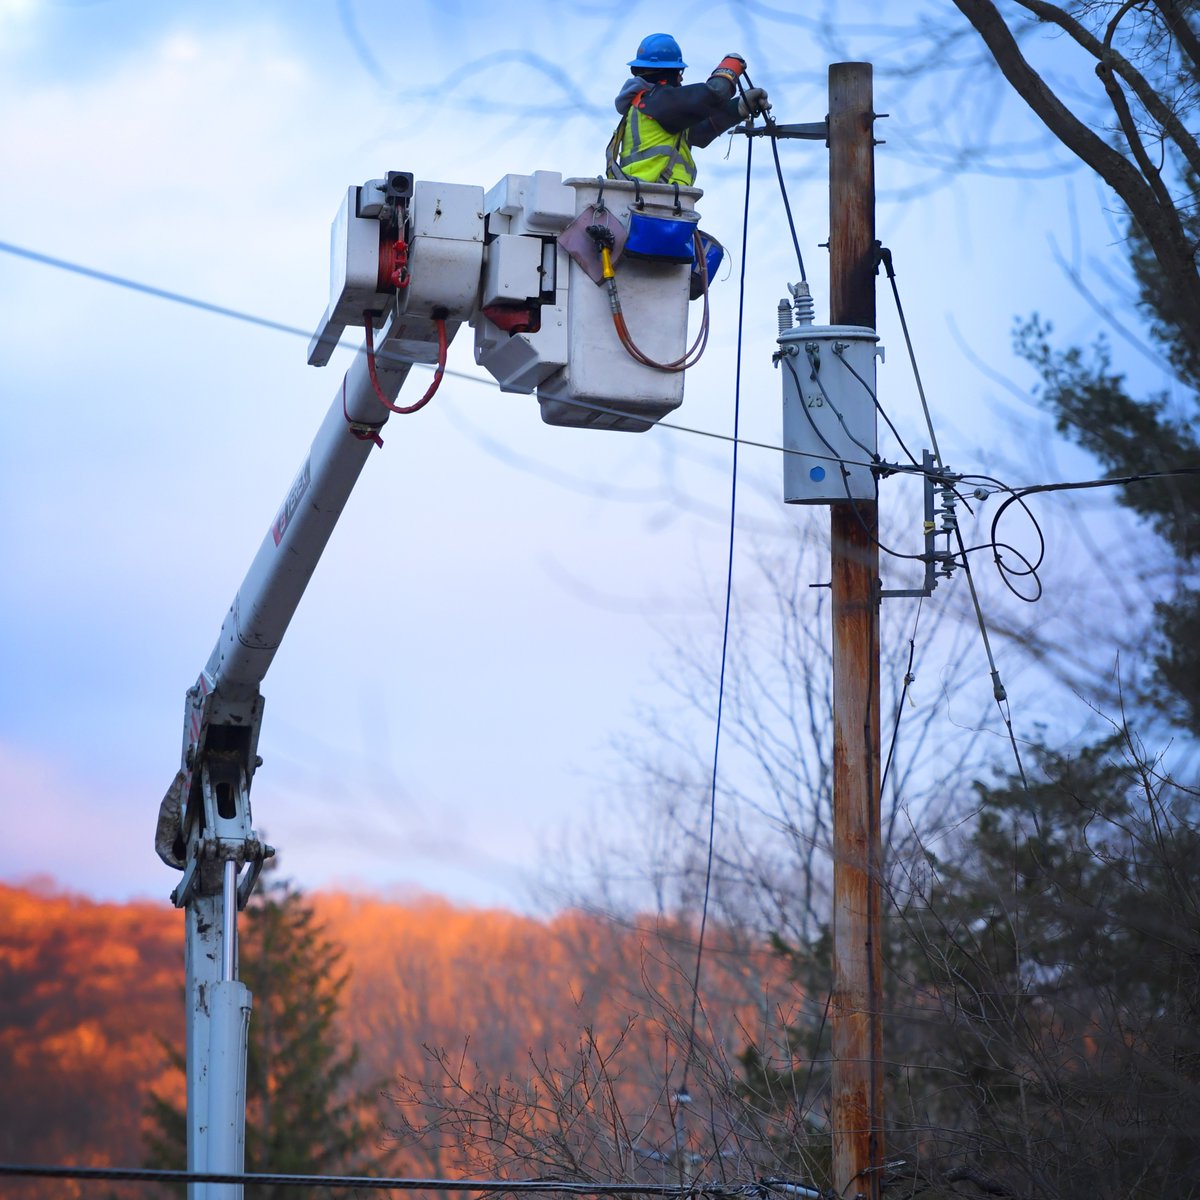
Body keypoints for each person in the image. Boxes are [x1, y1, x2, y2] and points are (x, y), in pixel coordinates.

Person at [605, 33, 770, 187]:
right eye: (679, 72)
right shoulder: (659, 100)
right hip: (654, 195)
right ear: (668, 72)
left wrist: (739, 107)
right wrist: (729, 67)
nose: (681, 78)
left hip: (644, 194)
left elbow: (699, 133)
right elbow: (714, 92)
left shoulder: (647, 107)